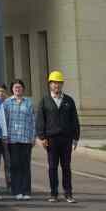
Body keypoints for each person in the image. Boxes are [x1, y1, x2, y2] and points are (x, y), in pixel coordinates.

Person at [36, 71, 80, 204]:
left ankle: (68, 194)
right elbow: (40, 120)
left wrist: (76, 137)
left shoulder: (69, 100)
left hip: (66, 139)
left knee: (66, 167)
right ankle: (53, 194)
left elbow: (74, 119)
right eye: (54, 83)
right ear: (50, 84)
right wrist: (42, 137)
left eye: (59, 83)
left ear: (62, 84)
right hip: (51, 139)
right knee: (52, 167)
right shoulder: (44, 101)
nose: (57, 85)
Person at [2, 79, 35, 200]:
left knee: (25, 165)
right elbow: (4, 121)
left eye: (20, 87)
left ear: (23, 89)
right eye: (15, 87)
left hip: (26, 138)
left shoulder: (29, 102)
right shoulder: (7, 103)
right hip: (12, 139)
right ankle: (17, 190)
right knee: (15, 165)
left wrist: (33, 137)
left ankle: (26, 191)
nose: (17, 89)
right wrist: (5, 136)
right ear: (12, 89)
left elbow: (33, 120)